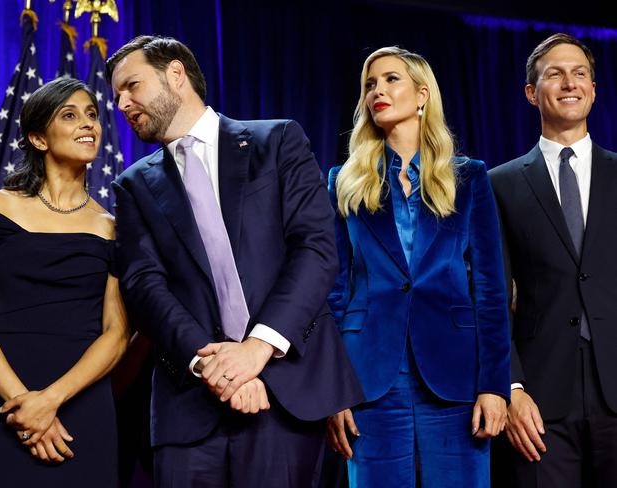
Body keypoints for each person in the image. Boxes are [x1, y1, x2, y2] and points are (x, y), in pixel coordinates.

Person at [105, 35, 363, 488]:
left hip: (286, 393)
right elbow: (146, 286)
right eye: (117, 96)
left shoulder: (277, 140)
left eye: (132, 86)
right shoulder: (134, 186)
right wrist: (215, 367)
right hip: (189, 407)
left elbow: (316, 251)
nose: (122, 103)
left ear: (176, 75)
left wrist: (256, 351)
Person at [326, 46, 511, 487]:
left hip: (455, 383)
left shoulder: (468, 178)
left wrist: (494, 386)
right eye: (370, 84)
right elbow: (332, 291)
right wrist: (330, 389)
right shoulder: (343, 180)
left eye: (391, 79)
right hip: (368, 381)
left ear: (423, 94)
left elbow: (491, 291)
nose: (378, 91)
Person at [0, 77, 129, 487]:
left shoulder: (114, 228)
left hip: (83, 402)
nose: (88, 125)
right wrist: (23, 403)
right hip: (1, 398)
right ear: (39, 138)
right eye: (70, 115)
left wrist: (50, 401)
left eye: (92, 115)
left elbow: (117, 333)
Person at [489, 33, 617, 487]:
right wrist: (512, 387)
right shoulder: (499, 184)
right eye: (555, 74)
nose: (569, 83)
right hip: (539, 401)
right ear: (531, 92)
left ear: (594, 89)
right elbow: (491, 298)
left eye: (580, 73)